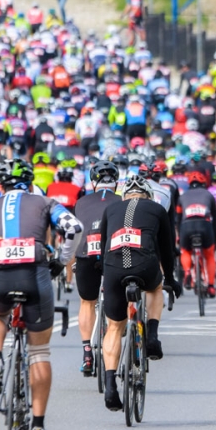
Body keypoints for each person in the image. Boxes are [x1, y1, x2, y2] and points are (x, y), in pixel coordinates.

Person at [0, 160, 83, 430]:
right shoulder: (45, 202)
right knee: (39, 352)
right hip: (35, 278)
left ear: (4, 185)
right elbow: (74, 227)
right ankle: (37, 427)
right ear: (29, 183)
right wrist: (61, 262)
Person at [98, 175, 181, 410]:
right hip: (144, 264)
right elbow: (167, 251)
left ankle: (110, 384)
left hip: (113, 265)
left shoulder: (111, 208)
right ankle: (152, 336)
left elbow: (104, 245)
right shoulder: (157, 209)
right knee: (155, 288)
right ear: (149, 195)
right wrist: (171, 280)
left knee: (114, 327)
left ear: (125, 195)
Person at [73, 161, 120, 376]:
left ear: (94, 182)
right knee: (116, 299)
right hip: (112, 253)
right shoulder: (122, 201)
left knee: (86, 301)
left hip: (86, 252)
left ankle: (86, 352)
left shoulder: (81, 202)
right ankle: (114, 337)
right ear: (116, 183)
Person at [178, 169, 216, 297]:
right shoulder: (209, 195)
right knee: (209, 255)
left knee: (185, 250)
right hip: (205, 225)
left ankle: (187, 272)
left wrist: (179, 236)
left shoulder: (182, 196)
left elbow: (178, 218)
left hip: (187, 225)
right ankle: (212, 285)